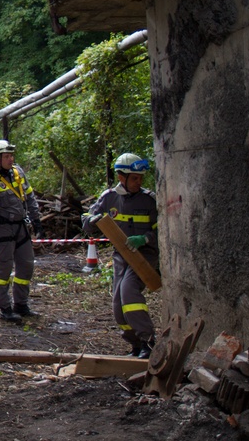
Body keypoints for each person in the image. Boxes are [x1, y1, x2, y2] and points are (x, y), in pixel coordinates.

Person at [82, 153, 158, 358]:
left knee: (129, 292)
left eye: (141, 178)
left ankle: (148, 341)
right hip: (121, 256)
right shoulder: (109, 198)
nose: (138, 182)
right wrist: (93, 220)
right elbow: (86, 221)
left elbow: (162, 231)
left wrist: (145, 239)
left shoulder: (149, 200)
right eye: (134, 178)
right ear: (121, 177)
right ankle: (135, 344)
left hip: (144, 256)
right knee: (118, 305)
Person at [0, 140, 44, 323]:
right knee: (4, 269)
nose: (10, 159)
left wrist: (36, 220)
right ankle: (5, 308)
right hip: (2, 230)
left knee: (26, 265)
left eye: (11, 155)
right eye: (6, 156)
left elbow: (29, 197)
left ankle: (20, 304)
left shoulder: (18, 172)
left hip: (21, 228)